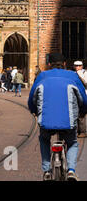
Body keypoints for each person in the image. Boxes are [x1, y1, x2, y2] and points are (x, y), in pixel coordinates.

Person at [28, 53, 87, 181]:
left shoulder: (41, 76)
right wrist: (83, 112)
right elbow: (83, 98)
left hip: (46, 121)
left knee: (44, 140)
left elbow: (32, 98)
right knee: (72, 142)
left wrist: (34, 111)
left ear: (49, 64)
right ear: (65, 64)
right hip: (69, 121)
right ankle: (71, 170)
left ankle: (47, 171)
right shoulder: (73, 75)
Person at [74, 61, 87, 138]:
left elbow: (86, 82)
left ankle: (83, 131)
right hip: (75, 95)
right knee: (75, 113)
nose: (77, 67)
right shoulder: (73, 74)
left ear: (82, 66)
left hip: (84, 95)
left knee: (82, 114)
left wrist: (80, 75)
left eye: (79, 66)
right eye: (76, 66)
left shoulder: (85, 73)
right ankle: (76, 131)